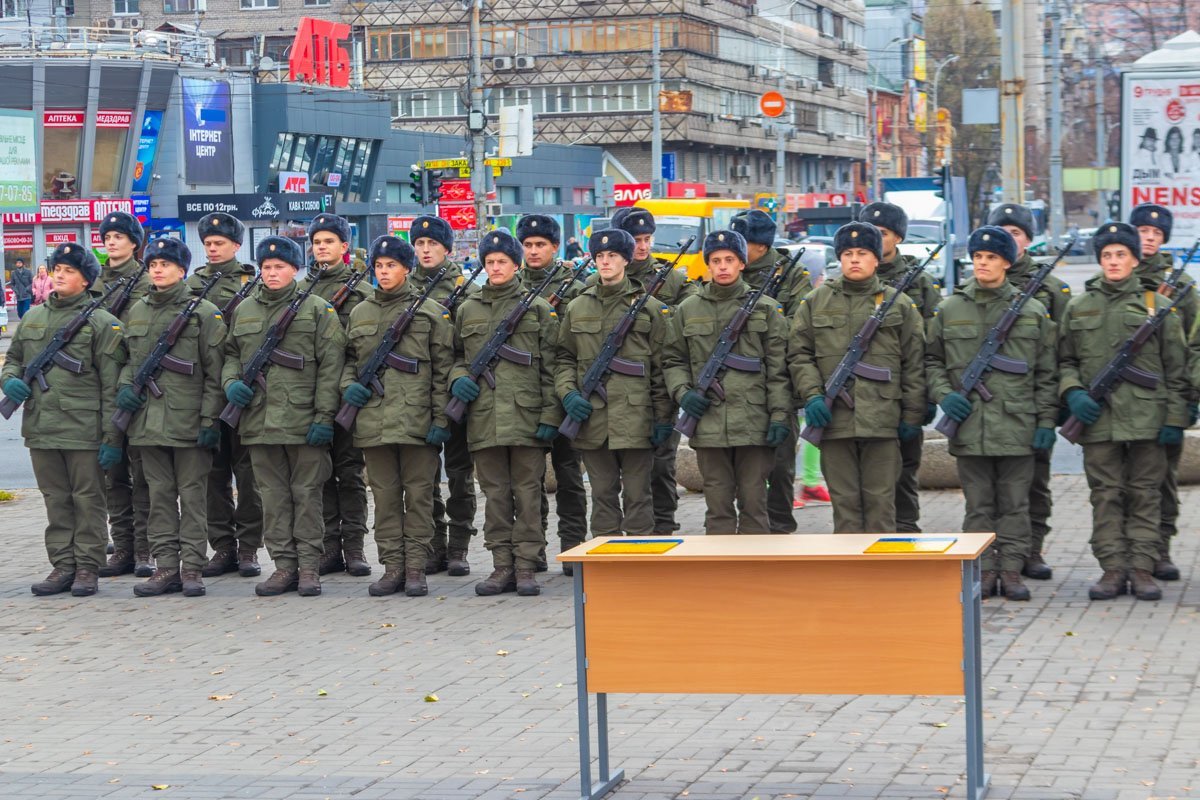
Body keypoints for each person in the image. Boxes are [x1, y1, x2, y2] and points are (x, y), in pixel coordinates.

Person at [926, 227, 1057, 601]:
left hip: (1017, 424)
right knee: (979, 506)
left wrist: (1047, 421)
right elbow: (932, 360)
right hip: (969, 425)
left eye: (991, 258)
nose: (982, 264)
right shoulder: (950, 308)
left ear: (1006, 263)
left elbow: (1046, 373)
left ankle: (1012, 570)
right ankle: (983, 571)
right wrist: (944, 395)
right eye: (978, 258)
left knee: (1016, 504)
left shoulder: (1031, 312)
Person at [1058, 222, 1188, 602]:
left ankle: (1143, 568)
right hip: (1097, 421)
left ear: (1134, 259)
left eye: (1121, 255)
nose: (1113, 262)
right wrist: (1073, 392)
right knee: (1106, 495)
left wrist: (1175, 420)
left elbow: (1176, 370)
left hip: (1147, 419)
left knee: (1146, 494)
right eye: (1107, 255)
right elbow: (1064, 361)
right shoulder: (1078, 307)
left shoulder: (1158, 308)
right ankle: (1113, 569)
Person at [221, 236, 346, 597]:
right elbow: (231, 354)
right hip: (259, 421)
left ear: (295, 269)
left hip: (304, 420)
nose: (272, 273)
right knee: (272, 498)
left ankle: (309, 567)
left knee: (307, 496)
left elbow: (331, 366)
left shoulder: (318, 310)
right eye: (266, 267)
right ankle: (283, 566)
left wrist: (324, 416)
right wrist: (231, 383)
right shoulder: (244, 310)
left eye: (279, 267)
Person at [1, 243, 127, 597]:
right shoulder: (32, 318)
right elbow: (13, 360)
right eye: (57, 268)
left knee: (88, 500)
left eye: (69, 271)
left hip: (84, 430)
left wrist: (111, 439)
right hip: (42, 427)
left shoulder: (104, 324)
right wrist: (8, 379)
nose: (59, 274)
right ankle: (62, 565)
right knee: (55, 499)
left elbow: (111, 387)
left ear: (86, 280)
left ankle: (87, 567)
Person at [788, 222, 926, 533]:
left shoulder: (899, 304)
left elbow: (915, 364)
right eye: (848, 253)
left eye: (862, 253)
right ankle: (850, 578)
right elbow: (799, 355)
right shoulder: (815, 302)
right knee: (845, 506)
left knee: (881, 505)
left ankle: (882, 577)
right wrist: (811, 396)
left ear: (877, 259)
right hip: (834, 419)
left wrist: (912, 416)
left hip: (883, 419)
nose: (854, 259)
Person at [449, 229, 561, 597]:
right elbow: (454, 359)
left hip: (526, 416)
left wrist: (549, 416)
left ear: (515, 264)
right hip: (484, 417)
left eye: (502, 262)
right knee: (495, 495)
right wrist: (458, 378)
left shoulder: (538, 308)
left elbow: (553, 367)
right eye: (489, 262)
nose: (495, 268)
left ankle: (527, 566)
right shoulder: (467, 309)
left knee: (528, 494)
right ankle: (501, 566)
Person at [341, 236, 455, 598]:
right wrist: (349, 387)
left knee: (420, 497)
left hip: (417, 421)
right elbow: (345, 362)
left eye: (391, 265)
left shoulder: (431, 312)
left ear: (407, 268)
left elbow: (442, 371)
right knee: (386, 498)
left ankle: (417, 568)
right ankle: (392, 567)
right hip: (373, 422)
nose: (384, 272)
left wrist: (441, 420)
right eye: (378, 266)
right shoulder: (360, 313)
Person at [117, 237, 226, 598]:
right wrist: (124, 388)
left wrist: (210, 421)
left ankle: (192, 567)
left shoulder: (204, 312)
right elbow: (129, 362)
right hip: (147, 423)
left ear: (181, 270)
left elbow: (215, 373)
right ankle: (166, 567)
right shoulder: (138, 311)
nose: (158, 270)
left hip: (189, 422)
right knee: (158, 497)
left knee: (193, 497)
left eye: (165, 265)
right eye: (153, 265)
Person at [663, 230, 790, 534]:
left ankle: (755, 575)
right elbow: (672, 360)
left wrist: (780, 417)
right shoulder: (687, 310)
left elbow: (779, 370)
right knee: (717, 508)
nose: (722, 266)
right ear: (707, 264)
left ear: (742, 264)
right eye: (716, 260)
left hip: (754, 422)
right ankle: (720, 577)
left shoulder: (766, 309)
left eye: (729, 260)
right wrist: (683, 393)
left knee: (754, 504)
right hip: (708, 424)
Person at [556, 228, 672, 539]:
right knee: (602, 496)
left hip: (636, 419)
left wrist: (663, 418)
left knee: (638, 497)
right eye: (600, 257)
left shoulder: (649, 309)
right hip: (592, 418)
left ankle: (637, 568)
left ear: (626, 259)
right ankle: (605, 565)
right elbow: (564, 358)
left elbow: (662, 367)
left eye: (613, 256)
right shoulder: (577, 307)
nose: (606, 262)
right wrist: (568, 394)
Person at [597, 206, 698, 535]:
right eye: (636, 240)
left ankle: (663, 527)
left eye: (647, 239)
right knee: (617, 478)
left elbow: (691, 316)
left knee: (661, 466)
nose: (643, 246)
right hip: (612, 395)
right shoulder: (600, 280)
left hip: (657, 388)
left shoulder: (671, 277)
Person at [986, 203, 1071, 581]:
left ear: (1028, 240)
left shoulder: (1051, 287)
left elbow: (1063, 349)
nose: (1010, 238)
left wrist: (1054, 407)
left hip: (1033, 401)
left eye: (1016, 233)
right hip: (989, 404)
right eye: (1002, 231)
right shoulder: (982, 280)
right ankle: (995, 556)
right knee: (990, 488)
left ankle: (1032, 548)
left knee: (1035, 481)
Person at [189, 212, 264, 579]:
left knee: (248, 476)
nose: (213, 249)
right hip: (202, 393)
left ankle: (248, 547)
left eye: (220, 243)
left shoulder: (253, 283)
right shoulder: (191, 285)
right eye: (208, 244)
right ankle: (222, 547)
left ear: (236, 245)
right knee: (211, 476)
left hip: (243, 392)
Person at [859, 202, 942, 533]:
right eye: (871, 235)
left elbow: (933, 343)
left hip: (905, 390)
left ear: (898, 238)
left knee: (906, 468)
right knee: (863, 471)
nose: (876, 241)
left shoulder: (919, 282)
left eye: (882, 234)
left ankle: (906, 531)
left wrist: (925, 398)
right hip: (862, 395)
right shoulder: (854, 277)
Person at [730, 209, 814, 531]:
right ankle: (749, 523)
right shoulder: (729, 269)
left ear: (761, 246)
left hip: (779, 380)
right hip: (736, 383)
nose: (735, 250)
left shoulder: (791, 275)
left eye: (743, 243)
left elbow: (799, 326)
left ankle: (780, 524)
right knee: (741, 463)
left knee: (780, 464)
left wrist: (761, 323)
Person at [516, 214, 589, 568]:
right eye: (527, 245)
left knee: (569, 475)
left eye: (540, 245)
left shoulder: (576, 287)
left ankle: (573, 547)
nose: (533, 251)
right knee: (528, 480)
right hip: (524, 397)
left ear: (555, 247)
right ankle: (535, 550)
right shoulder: (512, 284)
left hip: (564, 393)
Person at [1130, 202, 1196, 582]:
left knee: (1163, 480)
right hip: (1126, 403)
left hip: (1166, 397)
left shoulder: (1181, 286)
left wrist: (1187, 401)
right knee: (1127, 482)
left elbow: (1190, 347)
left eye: (1156, 234)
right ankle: (1130, 553)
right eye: (1142, 232)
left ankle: (1160, 548)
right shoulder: (1121, 273)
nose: (1149, 238)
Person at [303, 214, 371, 578]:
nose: (322, 248)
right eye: (317, 242)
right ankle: (329, 547)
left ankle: (355, 547)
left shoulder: (362, 291)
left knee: (350, 472)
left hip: (347, 395)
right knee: (320, 474)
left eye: (329, 241)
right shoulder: (302, 289)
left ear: (344, 247)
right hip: (311, 396)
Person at [411, 215, 479, 576]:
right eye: (419, 244)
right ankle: (432, 544)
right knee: (424, 477)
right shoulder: (405, 286)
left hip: (455, 395)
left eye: (432, 244)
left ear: (447, 248)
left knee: (458, 473)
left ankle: (459, 546)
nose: (424, 250)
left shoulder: (464, 290)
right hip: (417, 396)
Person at [94, 211, 154, 579]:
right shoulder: (92, 284)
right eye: (107, 236)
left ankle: (145, 549)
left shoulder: (148, 283)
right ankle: (123, 548)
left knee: (143, 475)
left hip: (139, 388)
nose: (111, 242)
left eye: (119, 236)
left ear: (134, 243)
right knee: (112, 475)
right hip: (100, 390)